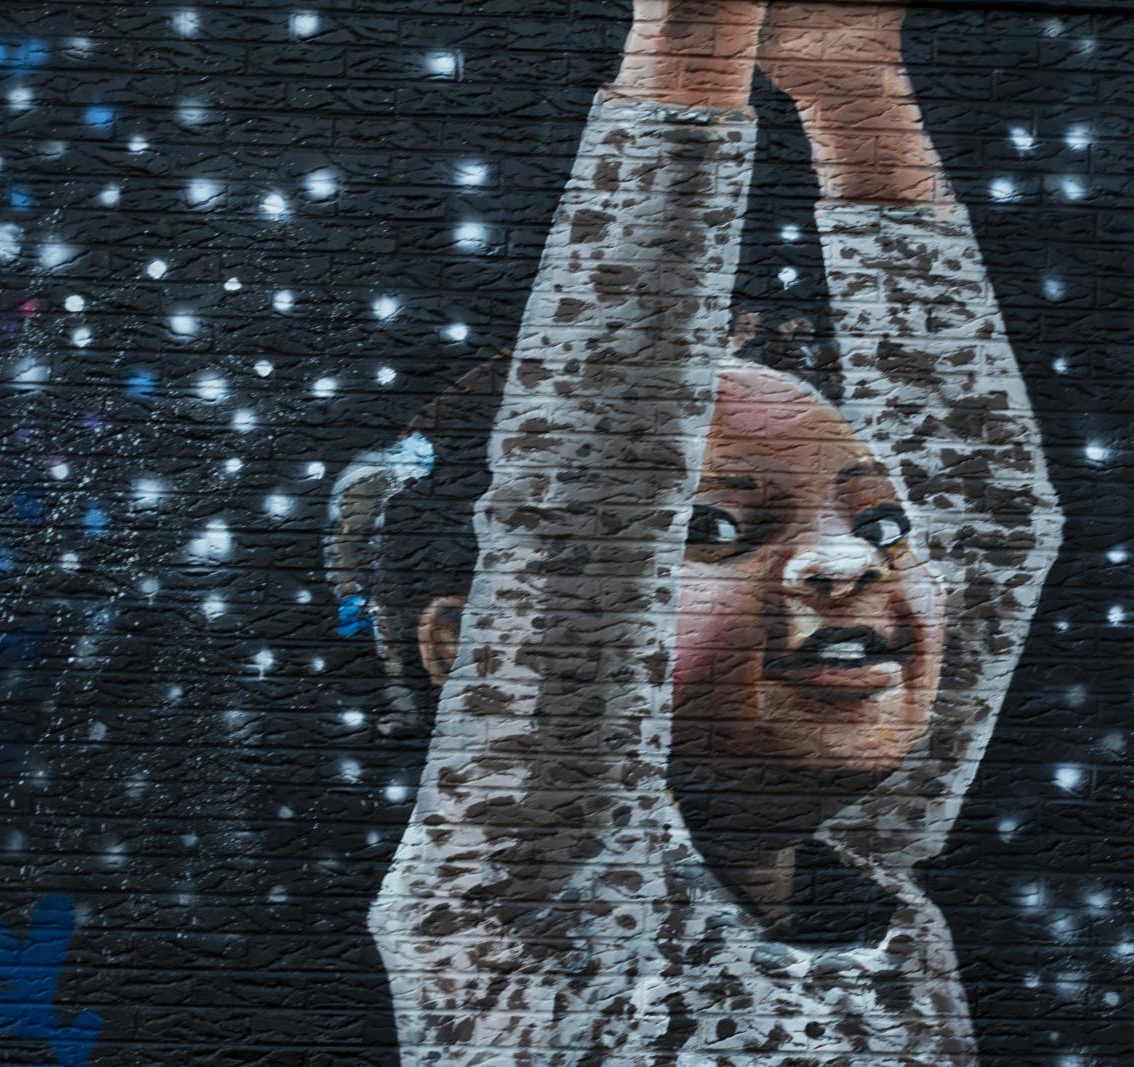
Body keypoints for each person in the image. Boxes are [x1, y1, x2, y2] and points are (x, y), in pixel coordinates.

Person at [332, 1, 1062, 1061]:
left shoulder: (880, 895)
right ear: (471, 651)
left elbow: (984, 519)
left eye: (881, 523)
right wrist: (694, 42)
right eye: (714, 526)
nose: (845, 559)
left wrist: (852, 86)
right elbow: (585, 487)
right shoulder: (525, 893)